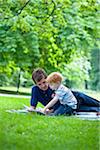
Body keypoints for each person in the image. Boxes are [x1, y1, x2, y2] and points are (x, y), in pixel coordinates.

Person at [29, 68, 100, 115]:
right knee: (86, 109)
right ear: (36, 84)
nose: (43, 86)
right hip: (67, 105)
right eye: (39, 84)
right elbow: (33, 107)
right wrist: (32, 110)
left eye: (44, 82)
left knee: (91, 101)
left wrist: (48, 110)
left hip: (75, 97)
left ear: (47, 79)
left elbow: (58, 97)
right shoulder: (35, 90)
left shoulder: (53, 85)